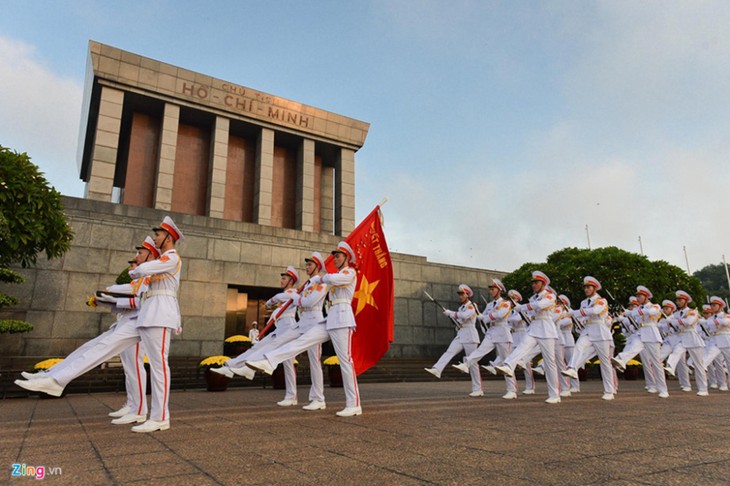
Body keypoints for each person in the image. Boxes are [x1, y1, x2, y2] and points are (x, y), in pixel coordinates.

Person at [14, 235, 159, 425]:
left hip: (140, 323)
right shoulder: (143, 277)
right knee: (90, 348)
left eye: (140, 253)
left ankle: (57, 381)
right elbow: (129, 290)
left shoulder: (153, 275)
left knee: (115, 358)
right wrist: (106, 294)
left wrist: (111, 297)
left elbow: (141, 300)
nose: (136, 258)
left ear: (151, 255)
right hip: (129, 322)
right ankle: (51, 375)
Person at [246, 252, 330, 411]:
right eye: (306, 265)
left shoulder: (321, 283)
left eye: (310, 265)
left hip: (315, 322)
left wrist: (295, 299)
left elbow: (309, 301)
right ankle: (291, 395)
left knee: (314, 362)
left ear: (317, 267)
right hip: (303, 322)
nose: (307, 267)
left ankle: (318, 398)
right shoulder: (306, 285)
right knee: (286, 351)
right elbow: (297, 302)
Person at [126, 216, 184, 432]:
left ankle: (160, 416)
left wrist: (139, 269)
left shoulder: (171, 258)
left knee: (159, 367)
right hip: (151, 314)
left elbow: (140, 270)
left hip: (161, 315)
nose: (155, 237)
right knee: (155, 366)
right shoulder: (161, 261)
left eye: (158, 234)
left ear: (168, 237)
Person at [310, 241, 362, 416]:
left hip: (342, 317)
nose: (336, 259)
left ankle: (354, 404)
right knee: (304, 341)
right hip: (331, 317)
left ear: (346, 257)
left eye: (338, 256)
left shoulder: (349, 272)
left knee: (346, 361)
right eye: (335, 257)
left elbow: (335, 279)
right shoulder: (336, 274)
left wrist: (321, 277)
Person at [495, 271, 561, 404]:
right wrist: (521, 309)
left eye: (536, 282)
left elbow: (539, 306)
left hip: (546, 329)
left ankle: (555, 395)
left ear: (543, 283)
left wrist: (522, 307)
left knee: (549, 363)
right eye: (532, 283)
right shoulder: (533, 298)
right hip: (534, 327)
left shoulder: (550, 296)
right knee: (522, 346)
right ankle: (509, 365)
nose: (534, 285)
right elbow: (531, 310)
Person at [243, 266, 302, 406]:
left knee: (287, 362)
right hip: (281, 326)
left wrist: (272, 299)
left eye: (284, 278)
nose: (281, 281)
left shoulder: (292, 292)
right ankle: (291, 395)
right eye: (281, 278)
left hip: (288, 326)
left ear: (291, 281)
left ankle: (291, 396)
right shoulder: (284, 295)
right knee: (284, 361)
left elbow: (284, 298)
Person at [452, 279, 517, 399]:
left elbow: (500, 314)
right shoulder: (488, 305)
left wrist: (486, 318)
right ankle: (466, 364)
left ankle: (511, 390)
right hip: (491, 332)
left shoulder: (506, 303)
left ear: (499, 290)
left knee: (506, 362)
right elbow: (482, 318)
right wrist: (482, 320)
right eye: (490, 289)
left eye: (493, 289)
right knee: (480, 350)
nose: (491, 291)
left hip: (502, 332)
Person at [424, 284, 482, 397]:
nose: (460, 296)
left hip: (470, 335)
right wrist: (451, 317)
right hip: (461, 333)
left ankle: (478, 388)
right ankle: (437, 369)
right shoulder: (461, 308)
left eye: (462, 294)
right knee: (449, 351)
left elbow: (465, 316)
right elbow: (459, 321)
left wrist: (451, 313)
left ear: (467, 295)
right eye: (459, 294)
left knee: (472, 362)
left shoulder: (472, 306)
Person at [566, 277, 615, 400]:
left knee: (605, 363)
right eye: (585, 287)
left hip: (600, 332)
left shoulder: (601, 300)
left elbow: (595, 310)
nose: (586, 289)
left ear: (594, 288)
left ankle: (609, 391)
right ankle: (572, 367)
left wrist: (576, 313)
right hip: (588, 330)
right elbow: (584, 317)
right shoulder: (583, 302)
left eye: (589, 287)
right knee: (579, 346)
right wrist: (578, 319)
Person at [664, 290, 707, 396]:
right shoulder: (676, 314)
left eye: (680, 300)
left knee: (698, 365)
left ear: (686, 301)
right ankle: (670, 366)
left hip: (692, 337)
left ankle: (703, 389)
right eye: (677, 300)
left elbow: (689, 322)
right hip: (682, 337)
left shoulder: (693, 311)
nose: (678, 302)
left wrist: (675, 321)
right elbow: (670, 324)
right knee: (676, 352)